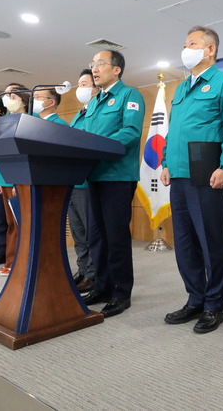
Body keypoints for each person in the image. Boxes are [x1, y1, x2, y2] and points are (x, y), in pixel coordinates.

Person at [161, 26, 223, 334]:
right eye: (185, 43)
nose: (186, 48)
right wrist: (167, 162)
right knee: (184, 243)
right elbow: (173, 131)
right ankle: (195, 297)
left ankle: (214, 303)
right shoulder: (181, 88)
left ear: (209, 50)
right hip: (179, 175)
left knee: (211, 242)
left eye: (192, 43)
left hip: (207, 175)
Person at [82, 50, 145, 318]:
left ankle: (121, 292)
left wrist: (96, 148)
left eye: (100, 64)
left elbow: (130, 132)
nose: (94, 69)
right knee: (96, 236)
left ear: (116, 69)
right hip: (93, 176)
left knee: (116, 236)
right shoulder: (95, 102)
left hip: (117, 176)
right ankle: (102, 285)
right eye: (92, 65)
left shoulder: (130, 95)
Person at [0, 83, 30, 275]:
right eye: (5, 95)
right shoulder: (4, 121)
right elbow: (0, 154)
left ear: (23, 98)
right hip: (4, 180)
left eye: (11, 95)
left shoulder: (30, 120)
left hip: (19, 180)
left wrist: (16, 181)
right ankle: (10, 262)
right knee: (11, 224)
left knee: (23, 223)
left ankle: (23, 262)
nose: (7, 99)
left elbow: (24, 153)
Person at [67, 69, 99, 293]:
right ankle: (83, 269)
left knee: (90, 232)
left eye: (85, 83)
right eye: (79, 84)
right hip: (71, 181)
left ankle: (94, 274)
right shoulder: (80, 112)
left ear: (96, 87)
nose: (80, 88)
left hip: (88, 181)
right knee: (78, 233)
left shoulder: (98, 112)